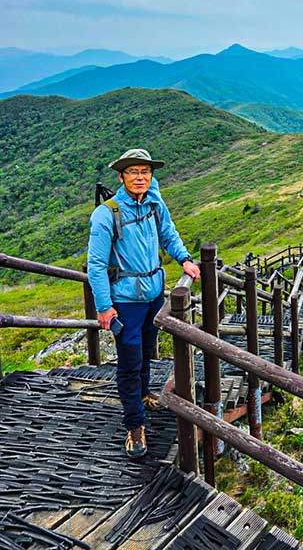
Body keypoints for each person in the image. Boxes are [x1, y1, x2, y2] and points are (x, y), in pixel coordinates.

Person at [87, 148, 200, 458]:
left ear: (152, 176)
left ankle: (145, 392)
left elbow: (168, 233)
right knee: (129, 361)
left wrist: (184, 259)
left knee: (147, 349)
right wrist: (104, 305)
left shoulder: (153, 203)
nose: (140, 177)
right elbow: (96, 264)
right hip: (125, 300)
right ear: (121, 176)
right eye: (133, 172)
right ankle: (135, 426)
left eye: (145, 172)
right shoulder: (106, 214)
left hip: (153, 293)